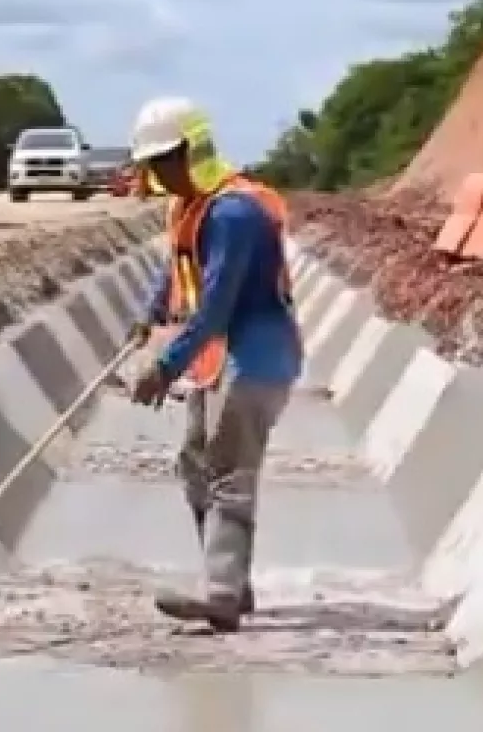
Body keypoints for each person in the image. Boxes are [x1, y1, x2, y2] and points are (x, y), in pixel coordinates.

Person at [126, 96, 302, 632]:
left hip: (258, 356)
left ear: (191, 151)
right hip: (219, 354)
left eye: (166, 159)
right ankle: (230, 583)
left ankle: (222, 592)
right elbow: (178, 267)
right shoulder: (190, 205)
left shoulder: (235, 213)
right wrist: (150, 315)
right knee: (194, 461)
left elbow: (217, 303)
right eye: (152, 163)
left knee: (228, 470)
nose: (159, 172)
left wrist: (164, 366)